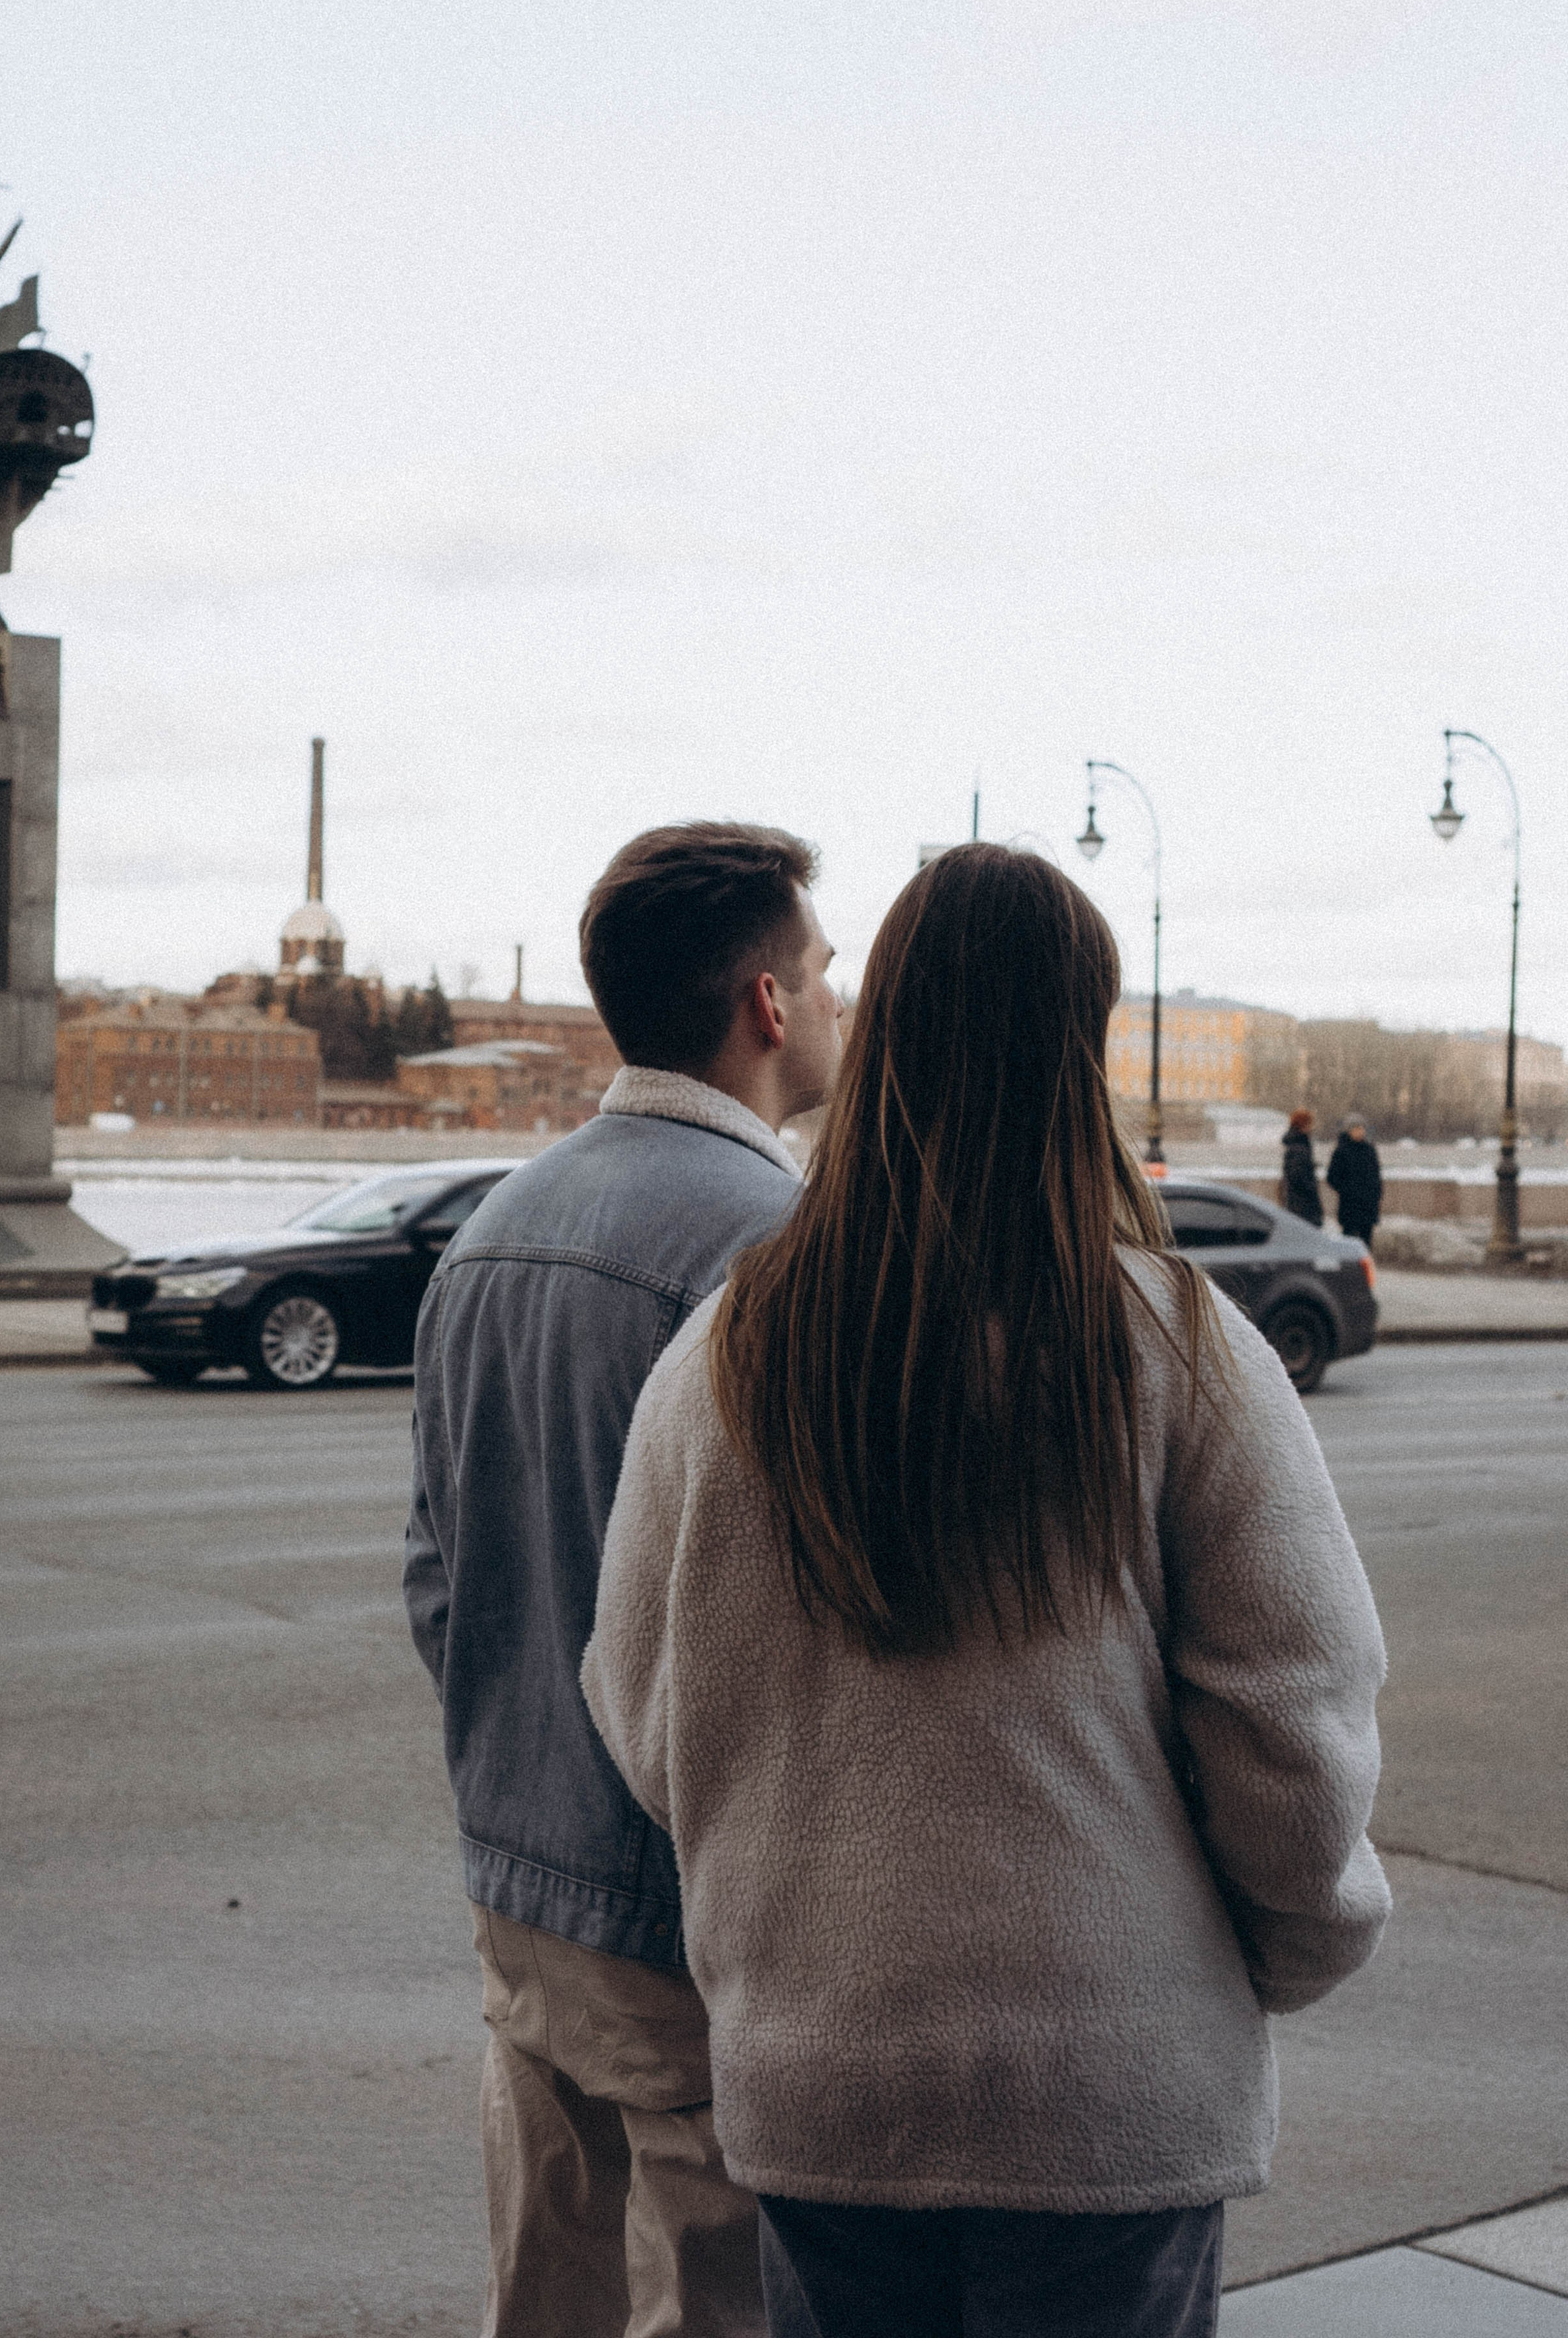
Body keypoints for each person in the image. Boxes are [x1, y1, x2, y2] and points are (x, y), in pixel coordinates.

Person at [583, 844, 1389, 2338]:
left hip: (822, 2085)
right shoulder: (1177, 1343)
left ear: (877, 1028)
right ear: (1079, 1046)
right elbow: (1292, 1733)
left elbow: (637, 1708)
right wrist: (1271, 1956)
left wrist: (787, 1929)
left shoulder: (723, 1352)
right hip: (1107, 2094)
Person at [405, 821, 844, 2338]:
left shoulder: (488, 1231)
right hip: (687, 1910)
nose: (839, 1001)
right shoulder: (782, 1252)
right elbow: (813, 1621)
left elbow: (437, 1579)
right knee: (711, 2303)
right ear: (768, 1003)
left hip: (517, 1879)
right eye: (826, 968)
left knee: (543, 2292)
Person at [1327, 1118, 1383, 1245]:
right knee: (1349, 1242)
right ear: (1349, 1131)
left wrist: (1377, 1195)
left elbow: (1376, 1176)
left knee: (1366, 1243)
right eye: (1356, 1129)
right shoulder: (1341, 1151)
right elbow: (1332, 1177)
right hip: (1350, 1206)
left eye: (1362, 1128)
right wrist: (1348, 1190)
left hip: (1368, 1205)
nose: (1360, 1132)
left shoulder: (1369, 1150)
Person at [1281, 1106, 1323, 1226]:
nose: (1312, 1127)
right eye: (1309, 1124)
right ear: (1303, 1125)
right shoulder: (1300, 1148)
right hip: (1304, 1207)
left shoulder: (1296, 1145)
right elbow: (1298, 1177)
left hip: (1298, 1205)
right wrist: (1311, 1187)